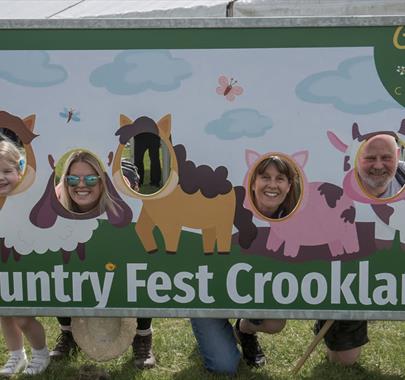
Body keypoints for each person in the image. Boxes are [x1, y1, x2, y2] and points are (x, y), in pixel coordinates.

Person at [191, 155, 299, 374]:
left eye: (280, 178)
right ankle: (217, 330)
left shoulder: (294, 218)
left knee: (275, 322)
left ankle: (244, 329)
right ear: (252, 181)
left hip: (255, 289)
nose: (272, 184)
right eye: (265, 177)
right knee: (224, 367)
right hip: (210, 294)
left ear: (289, 186)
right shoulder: (228, 206)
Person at [51, 151, 156, 369]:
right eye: (73, 178)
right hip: (75, 239)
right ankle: (68, 333)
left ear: (103, 180)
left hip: (117, 228)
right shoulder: (57, 199)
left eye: (90, 178)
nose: (81, 185)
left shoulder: (122, 199)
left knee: (137, 265)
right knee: (58, 265)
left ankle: (143, 335)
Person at [315, 134, 405, 366]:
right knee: (343, 361)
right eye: (370, 158)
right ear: (357, 158)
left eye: (386, 158)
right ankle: (324, 321)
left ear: (398, 156)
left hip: (391, 275)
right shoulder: (337, 184)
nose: (378, 165)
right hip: (350, 277)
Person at [0, 137, 50, 376]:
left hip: (22, 265)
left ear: (19, 170)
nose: (1, 177)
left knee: (22, 316)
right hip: (3, 267)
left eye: (7, 171)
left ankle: (41, 353)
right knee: (4, 315)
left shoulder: (26, 197)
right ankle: (16, 355)